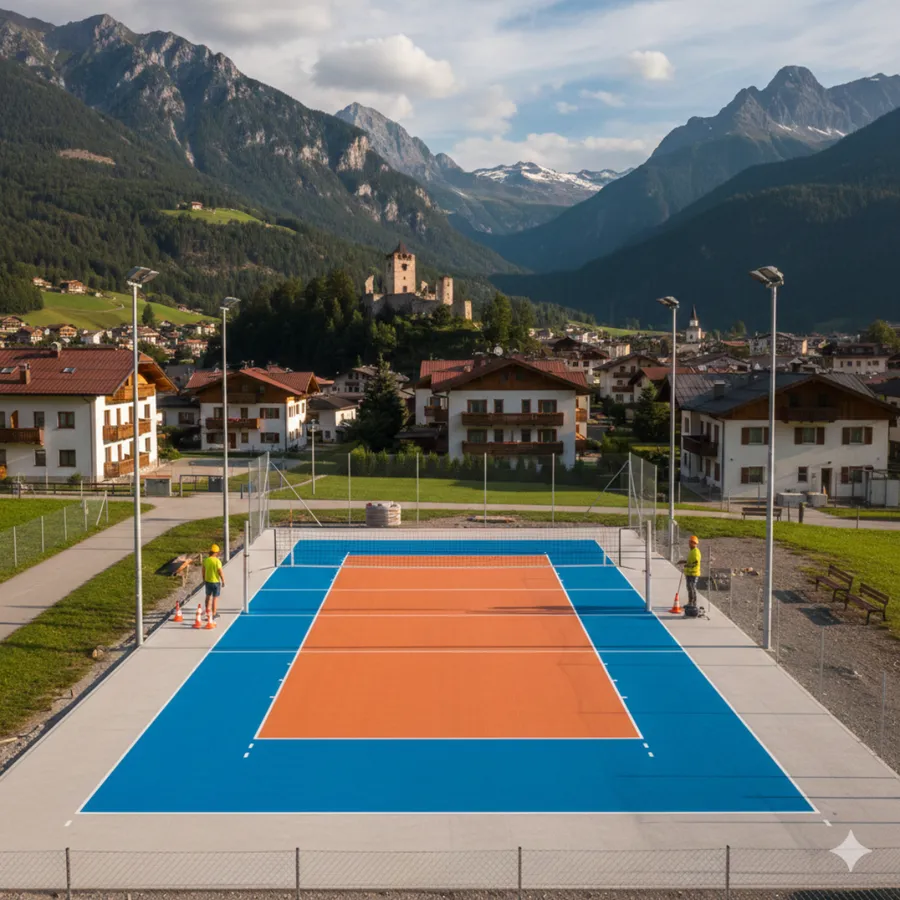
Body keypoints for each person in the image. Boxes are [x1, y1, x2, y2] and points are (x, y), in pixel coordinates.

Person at [203, 543, 225, 620]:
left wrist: (204, 579)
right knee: (215, 598)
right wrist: (223, 580)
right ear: (216, 552)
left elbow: (203, 570)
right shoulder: (217, 561)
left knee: (208, 596)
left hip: (208, 581)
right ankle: (214, 614)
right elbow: (220, 572)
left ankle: (207, 611)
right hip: (216, 582)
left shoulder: (206, 560)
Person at [681, 535, 701, 608]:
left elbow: (695, 563)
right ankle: (690, 602)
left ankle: (693, 603)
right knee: (689, 587)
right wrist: (684, 562)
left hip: (693, 573)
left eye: (690, 542)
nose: (689, 544)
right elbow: (690, 561)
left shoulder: (695, 552)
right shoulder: (692, 551)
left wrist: (686, 566)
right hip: (689, 573)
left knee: (692, 587)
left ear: (694, 543)